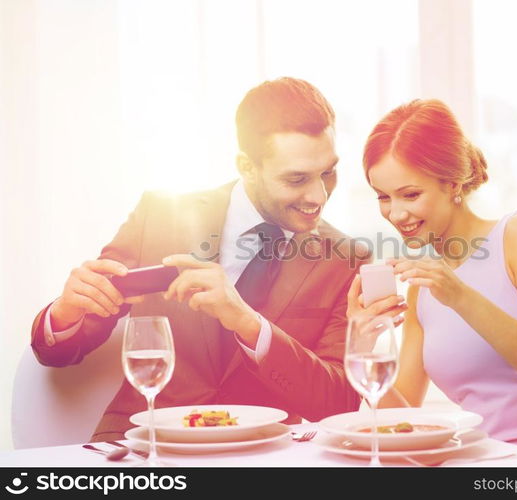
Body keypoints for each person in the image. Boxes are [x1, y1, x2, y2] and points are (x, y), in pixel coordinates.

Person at [29, 77, 401, 442]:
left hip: (262, 457)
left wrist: (249, 324)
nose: (318, 196)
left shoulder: (346, 259)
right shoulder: (161, 215)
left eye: (328, 172)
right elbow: (59, 353)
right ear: (246, 166)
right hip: (142, 447)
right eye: (296, 179)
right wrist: (66, 312)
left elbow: (339, 402)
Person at [347, 98, 517, 464]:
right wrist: (361, 338)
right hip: (474, 461)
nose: (396, 213)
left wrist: (459, 295)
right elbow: (401, 415)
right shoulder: (423, 283)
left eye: (410, 194)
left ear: (452, 183)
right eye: (383, 197)